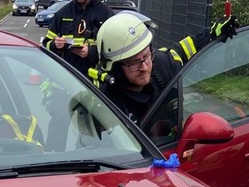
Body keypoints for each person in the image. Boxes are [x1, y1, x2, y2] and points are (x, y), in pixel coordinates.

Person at [90, 10, 238, 129]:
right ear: (115, 68)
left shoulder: (161, 63)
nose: (144, 67)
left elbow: (183, 50)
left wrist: (211, 35)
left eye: (146, 55)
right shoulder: (104, 106)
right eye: (134, 62)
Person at [41, 0, 114, 78]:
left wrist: (91, 53)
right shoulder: (61, 14)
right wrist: (55, 45)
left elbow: (115, 52)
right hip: (67, 82)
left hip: (95, 86)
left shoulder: (106, 15)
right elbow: (46, 46)